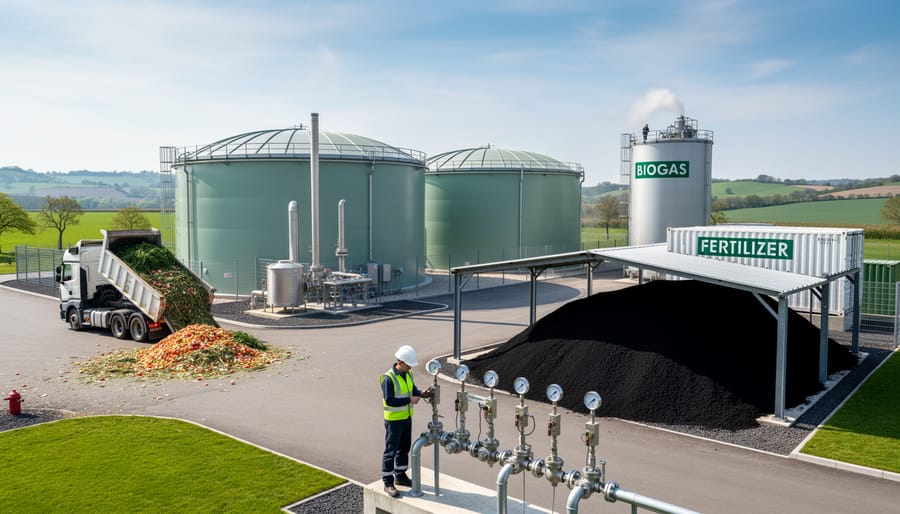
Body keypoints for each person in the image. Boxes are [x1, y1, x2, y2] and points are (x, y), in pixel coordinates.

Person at [380, 344, 430, 498]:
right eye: (409, 365)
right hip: (394, 421)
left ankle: (400, 475)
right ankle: (388, 482)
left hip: (406, 419)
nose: (410, 368)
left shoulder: (408, 374)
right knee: (391, 451)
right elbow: (390, 400)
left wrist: (422, 394)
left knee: (404, 448)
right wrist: (409, 400)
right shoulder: (388, 378)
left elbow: (413, 390)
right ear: (400, 362)